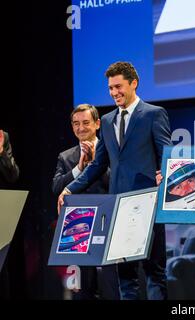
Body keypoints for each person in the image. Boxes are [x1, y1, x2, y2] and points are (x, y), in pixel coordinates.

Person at [58, 62, 172, 300]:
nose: (114, 92)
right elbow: (98, 165)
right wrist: (69, 187)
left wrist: (165, 174)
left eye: (118, 86)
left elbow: (166, 156)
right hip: (119, 210)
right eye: (110, 88)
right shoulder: (108, 121)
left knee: (154, 274)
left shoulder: (153, 114)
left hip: (148, 207)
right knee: (126, 277)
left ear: (134, 83)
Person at [52, 104, 119, 299]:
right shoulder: (65, 157)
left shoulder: (112, 152)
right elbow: (56, 187)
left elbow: (117, 183)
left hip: (107, 227)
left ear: (97, 124)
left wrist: (96, 165)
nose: (81, 128)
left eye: (86, 123)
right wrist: (79, 169)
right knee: (82, 292)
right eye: (76, 124)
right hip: (77, 231)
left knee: (112, 288)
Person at [0, 129, 20, 299]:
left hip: (1, 211)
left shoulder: (2, 136)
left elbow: (13, 175)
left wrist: (1, 153)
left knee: (1, 267)